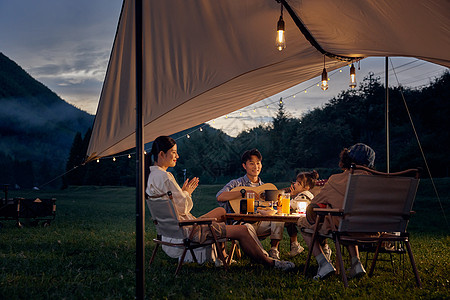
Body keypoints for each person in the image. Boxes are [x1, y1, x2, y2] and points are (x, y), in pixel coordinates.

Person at [146, 136, 295, 270]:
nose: (177, 156)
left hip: (172, 229)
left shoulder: (153, 176)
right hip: (186, 231)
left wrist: (183, 193)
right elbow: (183, 207)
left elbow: (175, 207)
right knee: (243, 230)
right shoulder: (165, 177)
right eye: (173, 152)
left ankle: (222, 257)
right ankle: (270, 263)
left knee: (221, 212)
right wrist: (186, 193)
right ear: (161, 154)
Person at [298, 143, 375, 280]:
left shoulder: (336, 180)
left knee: (303, 223)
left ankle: (323, 263)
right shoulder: (378, 182)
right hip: (373, 230)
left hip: (345, 228)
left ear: (346, 159)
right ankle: (356, 263)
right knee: (347, 220)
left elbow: (314, 204)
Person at [216, 149, 285, 260]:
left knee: (278, 218)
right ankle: (262, 255)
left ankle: (274, 250)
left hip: (261, 223)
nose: (255, 166)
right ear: (244, 166)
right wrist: (243, 192)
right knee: (246, 226)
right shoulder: (236, 183)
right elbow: (220, 196)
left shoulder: (265, 187)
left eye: (258, 163)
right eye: (251, 163)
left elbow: (274, 207)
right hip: (242, 224)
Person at [285, 170, 320, 257]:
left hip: (307, 221)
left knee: (288, 221)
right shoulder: (309, 194)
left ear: (307, 187)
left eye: (299, 183)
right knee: (290, 222)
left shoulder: (303, 196)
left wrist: (290, 196)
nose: (295, 184)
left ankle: (295, 245)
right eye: (296, 182)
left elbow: (289, 206)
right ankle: (295, 245)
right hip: (312, 219)